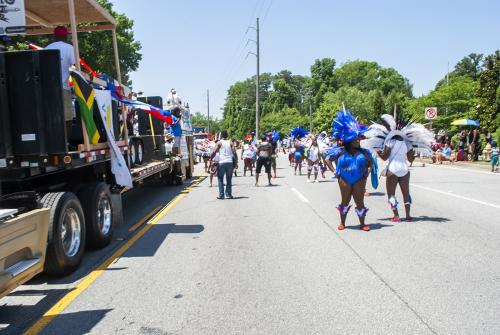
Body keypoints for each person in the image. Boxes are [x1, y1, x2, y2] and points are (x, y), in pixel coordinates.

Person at [363, 114, 433, 222]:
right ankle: (408, 216)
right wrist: (413, 152)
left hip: (393, 169)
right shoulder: (407, 143)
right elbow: (411, 160)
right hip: (404, 169)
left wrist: (377, 151)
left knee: (391, 194)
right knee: (406, 193)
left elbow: (385, 157)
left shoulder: (390, 141)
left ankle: (396, 216)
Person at [327, 110, 373, 231]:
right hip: (344, 179)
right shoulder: (340, 150)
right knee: (345, 201)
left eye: (358, 139)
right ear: (348, 140)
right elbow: (327, 160)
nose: (358, 141)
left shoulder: (364, 151)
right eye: (355, 140)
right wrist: (334, 172)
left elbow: (371, 162)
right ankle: (342, 223)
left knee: (360, 202)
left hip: (359, 179)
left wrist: (367, 173)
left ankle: (362, 224)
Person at [45, 26, 76, 130]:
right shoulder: (69, 48)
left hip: (47, 88)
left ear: (54, 36)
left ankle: (53, 141)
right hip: (63, 88)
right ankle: (65, 143)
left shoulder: (47, 48)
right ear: (65, 36)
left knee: (50, 117)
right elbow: (75, 67)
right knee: (67, 118)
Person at [211, 131, 236, 199]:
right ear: (227, 135)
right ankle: (228, 194)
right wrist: (235, 162)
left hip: (221, 162)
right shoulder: (230, 142)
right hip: (229, 162)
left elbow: (214, 151)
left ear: (221, 135)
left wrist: (211, 159)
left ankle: (221, 195)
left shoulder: (219, 142)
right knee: (229, 179)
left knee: (220, 179)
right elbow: (234, 152)